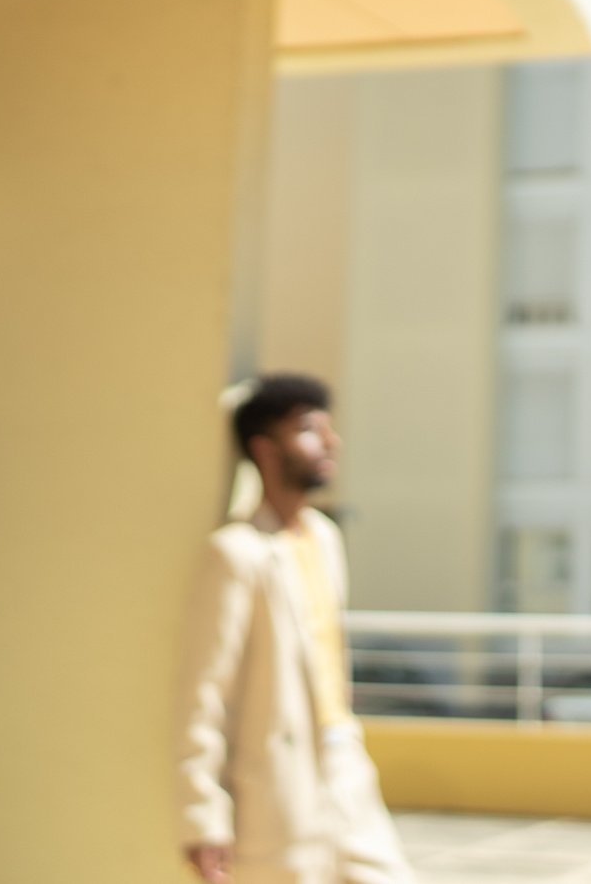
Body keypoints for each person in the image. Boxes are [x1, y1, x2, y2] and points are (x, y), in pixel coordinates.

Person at [177, 374, 414, 884]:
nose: (330, 442)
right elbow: (203, 694)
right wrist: (202, 813)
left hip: (346, 767)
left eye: (329, 429)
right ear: (264, 449)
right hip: (278, 788)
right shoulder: (236, 553)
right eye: (309, 430)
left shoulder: (324, 539)